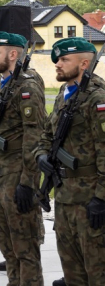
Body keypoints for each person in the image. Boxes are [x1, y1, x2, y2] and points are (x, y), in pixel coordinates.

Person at [0, 32, 45, 286]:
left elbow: (34, 137)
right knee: (6, 244)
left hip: (16, 174)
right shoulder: (2, 86)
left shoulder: (26, 87)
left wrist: (28, 182)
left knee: (24, 246)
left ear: (12, 55)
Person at [35, 38, 105, 286]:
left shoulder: (97, 99)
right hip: (65, 196)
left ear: (84, 64)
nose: (58, 64)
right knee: (71, 268)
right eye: (57, 59)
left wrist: (101, 198)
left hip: (90, 199)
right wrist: (42, 154)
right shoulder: (66, 95)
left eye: (64, 59)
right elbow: (47, 133)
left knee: (97, 270)